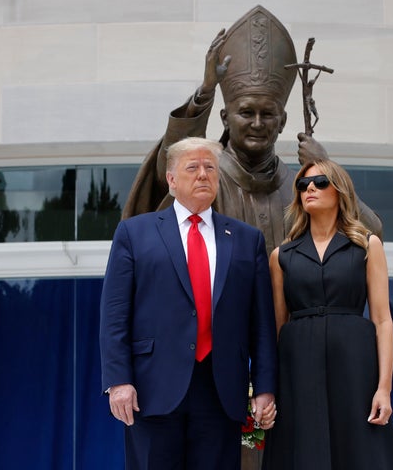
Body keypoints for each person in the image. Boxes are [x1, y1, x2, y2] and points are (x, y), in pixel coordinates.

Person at [122, 5, 382, 255]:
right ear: (225, 118)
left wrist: (326, 171)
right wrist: (205, 92)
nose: (257, 124)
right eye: (246, 113)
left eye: (268, 114)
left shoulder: (302, 189)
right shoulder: (206, 180)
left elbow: (372, 236)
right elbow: (168, 168)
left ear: (282, 121)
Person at [100, 137, 278, 470]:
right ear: (171, 179)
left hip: (221, 389)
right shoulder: (134, 233)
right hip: (152, 389)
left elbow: (262, 324)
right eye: (192, 167)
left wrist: (265, 387)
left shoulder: (246, 239)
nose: (203, 175)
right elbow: (114, 316)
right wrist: (118, 380)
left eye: (210, 168)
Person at [262, 159, 393, 470]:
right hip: (297, 366)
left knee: (358, 451)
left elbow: (382, 320)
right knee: (300, 452)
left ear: (339, 190)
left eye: (320, 182)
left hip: (355, 364)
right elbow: (277, 327)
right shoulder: (281, 256)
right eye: (302, 184)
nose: (310, 188)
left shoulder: (367, 246)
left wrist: (384, 387)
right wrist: (267, 387)